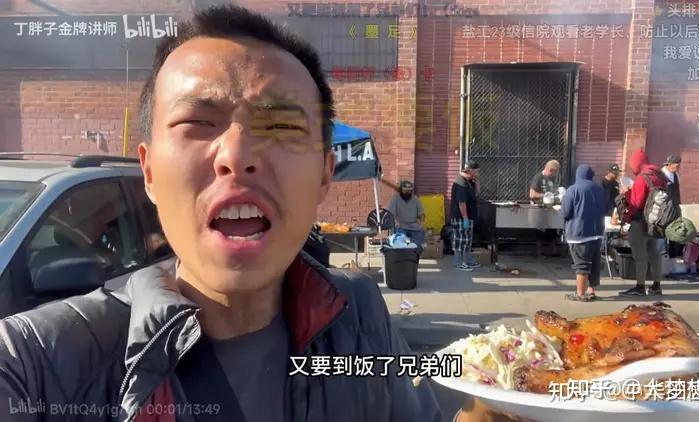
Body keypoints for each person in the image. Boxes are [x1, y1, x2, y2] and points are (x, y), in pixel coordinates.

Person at [0, 6, 443, 422]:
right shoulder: (35, 359)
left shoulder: (359, 317)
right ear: (149, 172)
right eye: (197, 122)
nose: (237, 154)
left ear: (325, 174)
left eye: (281, 126)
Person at [619, 148, 666, 297]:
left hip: (640, 221)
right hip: (656, 221)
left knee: (640, 256)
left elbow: (636, 203)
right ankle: (656, 286)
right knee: (654, 252)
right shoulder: (659, 176)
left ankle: (640, 287)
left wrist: (627, 193)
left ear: (637, 163)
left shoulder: (642, 178)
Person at [562, 165, 608, 302]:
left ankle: (580, 293)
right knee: (594, 262)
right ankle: (591, 290)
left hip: (579, 233)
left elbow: (566, 212)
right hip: (597, 232)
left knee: (581, 264)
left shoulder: (573, 189)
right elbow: (606, 209)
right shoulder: (599, 190)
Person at [450, 160, 481, 271]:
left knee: (467, 240)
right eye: (476, 171)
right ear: (470, 170)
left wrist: (477, 181)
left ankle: (468, 261)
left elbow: (476, 193)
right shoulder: (461, 183)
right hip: (460, 217)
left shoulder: (469, 181)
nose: (477, 173)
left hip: (468, 216)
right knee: (460, 240)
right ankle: (459, 263)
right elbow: (461, 202)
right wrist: (465, 218)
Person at [529, 160, 562, 257]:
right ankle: (540, 251)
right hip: (540, 207)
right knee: (540, 228)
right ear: (550, 170)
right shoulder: (538, 178)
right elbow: (532, 194)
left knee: (553, 228)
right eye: (554, 172)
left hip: (551, 206)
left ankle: (553, 250)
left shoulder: (555, 178)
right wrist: (545, 195)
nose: (555, 175)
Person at [387, 180, 427, 247]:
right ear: (401, 190)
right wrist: (395, 221)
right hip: (400, 225)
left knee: (420, 236)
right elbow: (390, 213)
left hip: (413, 225)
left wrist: (422, 223)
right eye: (405, 190)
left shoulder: (415, 198)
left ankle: (415, 248)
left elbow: (421, 213)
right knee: (399, 241)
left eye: (409, 191)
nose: (407, 192)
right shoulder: (395, 198)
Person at [662, 155, 683, 258]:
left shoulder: (676, 175)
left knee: (675, 233)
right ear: (669, 164)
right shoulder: (661, 175)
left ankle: (674, 256)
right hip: (664, 210)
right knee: (663, 234)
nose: (678, 168)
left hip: (675, 208)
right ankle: (663, 256)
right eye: (677, 166)